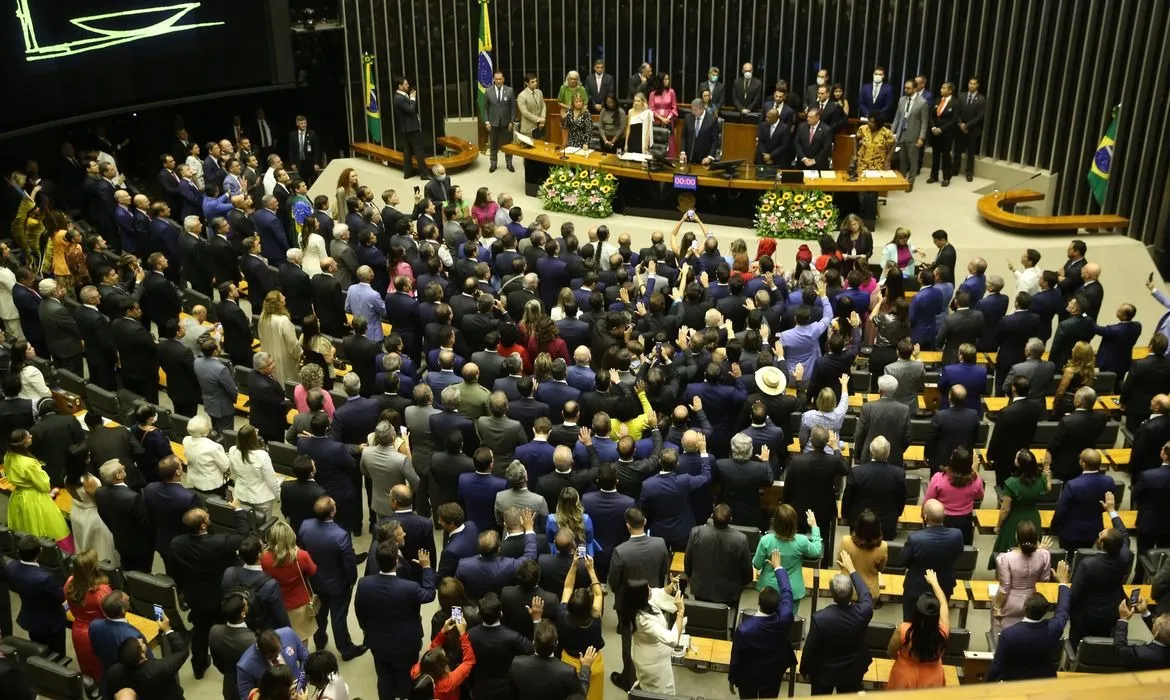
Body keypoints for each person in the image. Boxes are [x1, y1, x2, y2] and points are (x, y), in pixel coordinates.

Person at [356, 542, 436, 699]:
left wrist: (367, 629)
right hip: (406, 644)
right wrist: (426, 568)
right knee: (405, 678)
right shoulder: (410, 587)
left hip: (377, 642)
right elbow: (429, 594)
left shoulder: (364, 584)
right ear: (397, 561)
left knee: (384, 678)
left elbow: (360, 611)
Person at [300, 496, 367, 661]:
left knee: (319, 614)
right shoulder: (341, 535)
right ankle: (346, 649)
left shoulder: (305, 525)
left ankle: (320, 641)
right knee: (338, 617)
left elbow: (302, 550)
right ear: (332, 512)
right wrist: (352, 580)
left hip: (315, 580)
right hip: (338, 584)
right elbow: (349, 562)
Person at [799, 551, 874, 694]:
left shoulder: (820, 619)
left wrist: (804, 669)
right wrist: (852, 570)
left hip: (824, 673)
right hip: (852, 671)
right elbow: (865, 593)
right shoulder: (864, 612)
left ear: (833, 596)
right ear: (852, 593)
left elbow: (810, 648)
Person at [986, 560, 1071, 681]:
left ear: (1025, 608)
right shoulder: (1054, 628)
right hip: (1044, 684)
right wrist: (1063, 584)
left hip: (1015, 684)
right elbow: (1063, 609)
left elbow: (997, 667)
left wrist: (985, 686)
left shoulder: (1009, 634)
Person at [1069, 491, 1133, 646]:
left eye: (1101, 534)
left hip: (1087, 614)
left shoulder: (1088, 565)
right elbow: (1124, 534)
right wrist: (1111, 511)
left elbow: (1075, 594)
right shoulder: (1125, 557)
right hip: (1112, 611)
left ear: (1102, 544)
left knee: (1077, 643)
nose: (1099, 533)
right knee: (1102, 641)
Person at [728, 570, 796, 700]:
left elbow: (737, 657)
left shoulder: (744, 629)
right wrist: (778, 568)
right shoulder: (785, 618)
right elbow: (787, 592)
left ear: (758, 604)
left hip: (748, 677)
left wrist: (732, 678)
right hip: (773, 673)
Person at [4, 429, 71, 547]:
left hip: (18, 497)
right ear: (23, 443)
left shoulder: (8, 456)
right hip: (35, 499)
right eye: (28, 436)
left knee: (24, 526)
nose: (31, 436)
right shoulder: (29, 463)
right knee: (52, 527)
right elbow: (44, 485)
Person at [900, 500, 964, 622]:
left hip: (917, 586)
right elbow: (958, 554)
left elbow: (904, 560)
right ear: (945, 514)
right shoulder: (957, 535)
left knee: (910, 623)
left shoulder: (915, 538)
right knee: (938, 622)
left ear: (925, 516)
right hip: (944, 584)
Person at [617, 578, 683, 694]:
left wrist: (671, 586)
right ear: (640, 596)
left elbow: (657, 593)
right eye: (647, 589)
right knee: (659, 692)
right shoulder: (643, 620)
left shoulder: (637, 602)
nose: (650, 589)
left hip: (652, 653)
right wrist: (680, 612)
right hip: (652, 663)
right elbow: (672, 640)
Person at [886, 569, 949, 689]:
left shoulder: (904, 630)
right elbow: (944, 604)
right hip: (932, 678)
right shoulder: (943, 631)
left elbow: (891, 651)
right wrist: (935, 583)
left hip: (905, 675)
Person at [5, 536, 67, 656]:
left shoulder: (11, 567)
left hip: (31, 620)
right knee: (57, 657)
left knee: (39, 653)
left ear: (18, 551)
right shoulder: (45, 578)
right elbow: (61, 596)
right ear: (40, 552)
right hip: (51, 624)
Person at [259, 520, 319, 644]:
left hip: (277, 604)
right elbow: (313, 571)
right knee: (302, 639)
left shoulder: (264, 558)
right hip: (300, 604)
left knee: (282, 639)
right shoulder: (301, 556)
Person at [106, 614, 188, 700]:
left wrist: (161, 631)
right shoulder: (158, 669)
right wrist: (168, 630)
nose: (141, 640)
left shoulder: (114, 672)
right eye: (140, 644)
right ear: (141, 655)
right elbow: (182, 652)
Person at [684, 503, 753, 606]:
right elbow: (747, 571)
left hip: (700, 588)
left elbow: (687, 560)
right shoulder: (741, 539)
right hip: (729, 593)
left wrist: (691, 577)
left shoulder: (696, 532)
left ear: (712, 516)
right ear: (731, 519)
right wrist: (742, 584)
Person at [990, 450, 1051, 566]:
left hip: (1014, 520)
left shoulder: (1012, 483)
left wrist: (998, 526)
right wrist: (1047, 467)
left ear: (1019, 464)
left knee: (1005, 554)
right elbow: (1048, 488)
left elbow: (1005, 509)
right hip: (1033, 518)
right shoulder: (1041, 478)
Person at [992, 520, 1053, 635]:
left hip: (1010, 602)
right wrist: (1041, 550)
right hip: (1032, 601)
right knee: (1028, 634)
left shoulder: (1005, 558)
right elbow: (1044, 579)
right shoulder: (1044, 555)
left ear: (1017, 537)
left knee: (1002, 635)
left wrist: (997, 606)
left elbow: (1004, 588)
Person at [842, 435, 906, 539]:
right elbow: (901, 499)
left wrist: (845, 516)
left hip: (860, 523)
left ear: (871, 452)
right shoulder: (899, 474)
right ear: (888, 453)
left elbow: (848, 498)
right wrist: (896, 514)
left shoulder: (857, 472)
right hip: (887, 524)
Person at [65, 550, 114, 680]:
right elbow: (110, 615)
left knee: (88, 671)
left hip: (77, 632)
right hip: (98, 635)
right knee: (103, 671)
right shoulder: (101, 591)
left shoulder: (70, 583)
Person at [923, 446, 984, 544]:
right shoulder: (976, 480)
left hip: (942, 520)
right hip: (964, 521)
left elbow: (927, 501)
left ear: (952, 461)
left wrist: (924, 517)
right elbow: (979, 496)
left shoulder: (938, 478)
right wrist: (975, 470)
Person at [410, 616, 476, 700]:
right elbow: (469, 661)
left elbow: (432, 651)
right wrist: (463, 634)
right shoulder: (447, 683)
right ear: (442, 666)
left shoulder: (416, 671)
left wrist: (443, 632)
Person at [236, 628, 309, 700]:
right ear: (262, 653)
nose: (277, 656)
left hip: (301, 695)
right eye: (272, 656)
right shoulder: (245, 667)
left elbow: (306, 658)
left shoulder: (288, 634)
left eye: (279, 651)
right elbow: (246, 697)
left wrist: (301, 681)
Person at [209, 594, 256, 700]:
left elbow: (217, 662)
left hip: (229, 685)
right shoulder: (252, 641)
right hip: (250, 688)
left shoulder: (214, 631)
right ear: (243, 614)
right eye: (246, 604)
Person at [258, 290, 303, 384]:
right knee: (286, 384)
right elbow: (293, 345)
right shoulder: (283, 321)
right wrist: (300, 354)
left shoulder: (262, 316)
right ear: (278, 303)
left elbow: (260, 336)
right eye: (282, 297)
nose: (285, 297)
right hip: (284, 361)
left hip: (268, 358)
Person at [891, 79, 928, 190]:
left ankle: (910, 182)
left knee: (913, 160)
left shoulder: (922, 102)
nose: (906, 90)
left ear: (915, 88)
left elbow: (924, 122)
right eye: (905, 88)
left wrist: (921, 137)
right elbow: (897, 117)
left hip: (913, 136)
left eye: (908, 88)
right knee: (902, 160)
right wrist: (892, 131)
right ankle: (902, 180)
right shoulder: (902, 100)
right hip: (901, 134)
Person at [183, 414, 231, 498]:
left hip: (195, 480)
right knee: (228, 494)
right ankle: (229, 503)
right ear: (204, 431)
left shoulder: (186, 440)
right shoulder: (213, 446)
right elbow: (225, 466)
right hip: (213, 484)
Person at [393, 76, 428, 180]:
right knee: (418, 150)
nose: (408, 85)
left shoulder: (401, 96)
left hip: (407, 128)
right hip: (411, 128)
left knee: (407, 150)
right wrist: (413, 97)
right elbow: (411, 110)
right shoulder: (398, 98)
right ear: (400, 86)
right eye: (405, 84)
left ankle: (408, 173)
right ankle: (424, 174)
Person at [952, 77, 986, 181]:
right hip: (959, 128)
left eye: (974, 84)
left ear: (977, 85)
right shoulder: (961, 96)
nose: (971, 85)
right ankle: (955, 169)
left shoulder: (981, 99)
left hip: (973, 130)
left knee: (970, 153)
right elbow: (956, 111)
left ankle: (969, 172)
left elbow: (979, 116)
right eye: (970, 83)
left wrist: (966, 125)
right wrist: (961, 124)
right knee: (957, 150)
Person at [1053, 340, 1097, 418]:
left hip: (1069, 403)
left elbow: (1060, 392)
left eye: (1074, 348)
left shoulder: (1070, 371)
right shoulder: (1090, 370)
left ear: (1078, 354)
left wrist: (1055, 404)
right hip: (1084, 403)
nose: (1072, 349)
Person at [925, 82, 957, 186]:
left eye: (944, 88)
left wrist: (941, 129)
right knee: (935, 154)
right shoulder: (937, 100)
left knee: (946, 155)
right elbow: (931, 115)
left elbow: (953, 120)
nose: (941, 89)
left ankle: (946, 177)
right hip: (935, 132)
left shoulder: (955, 102)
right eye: (941, 87)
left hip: (946, 133)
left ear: (950, 90)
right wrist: (933, 127)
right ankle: (933, 176)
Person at [484, 71, 516, 173]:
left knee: (508, 145)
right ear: (493, 80)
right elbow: (484, 108)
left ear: (503, 79)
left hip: (506, 123)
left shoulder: (510, 90)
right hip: (493, 123)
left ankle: (509, 163)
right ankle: (493, 164)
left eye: (500, 79)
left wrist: (512, 121)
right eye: (496, 79)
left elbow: (513, 108)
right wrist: (486, 122)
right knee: (493, 145)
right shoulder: (488, 91)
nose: (498, 81)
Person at [517, 74, 547, 138]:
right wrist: (538, 119)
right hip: (528, 129)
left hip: (540, 127)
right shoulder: (522, 96)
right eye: (532, 82)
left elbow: (543, 106)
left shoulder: (539, 92)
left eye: (536, 81)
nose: (535, 83)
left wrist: (542, 119)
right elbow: (525, 112)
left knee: (540, 146)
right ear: (526, 83)